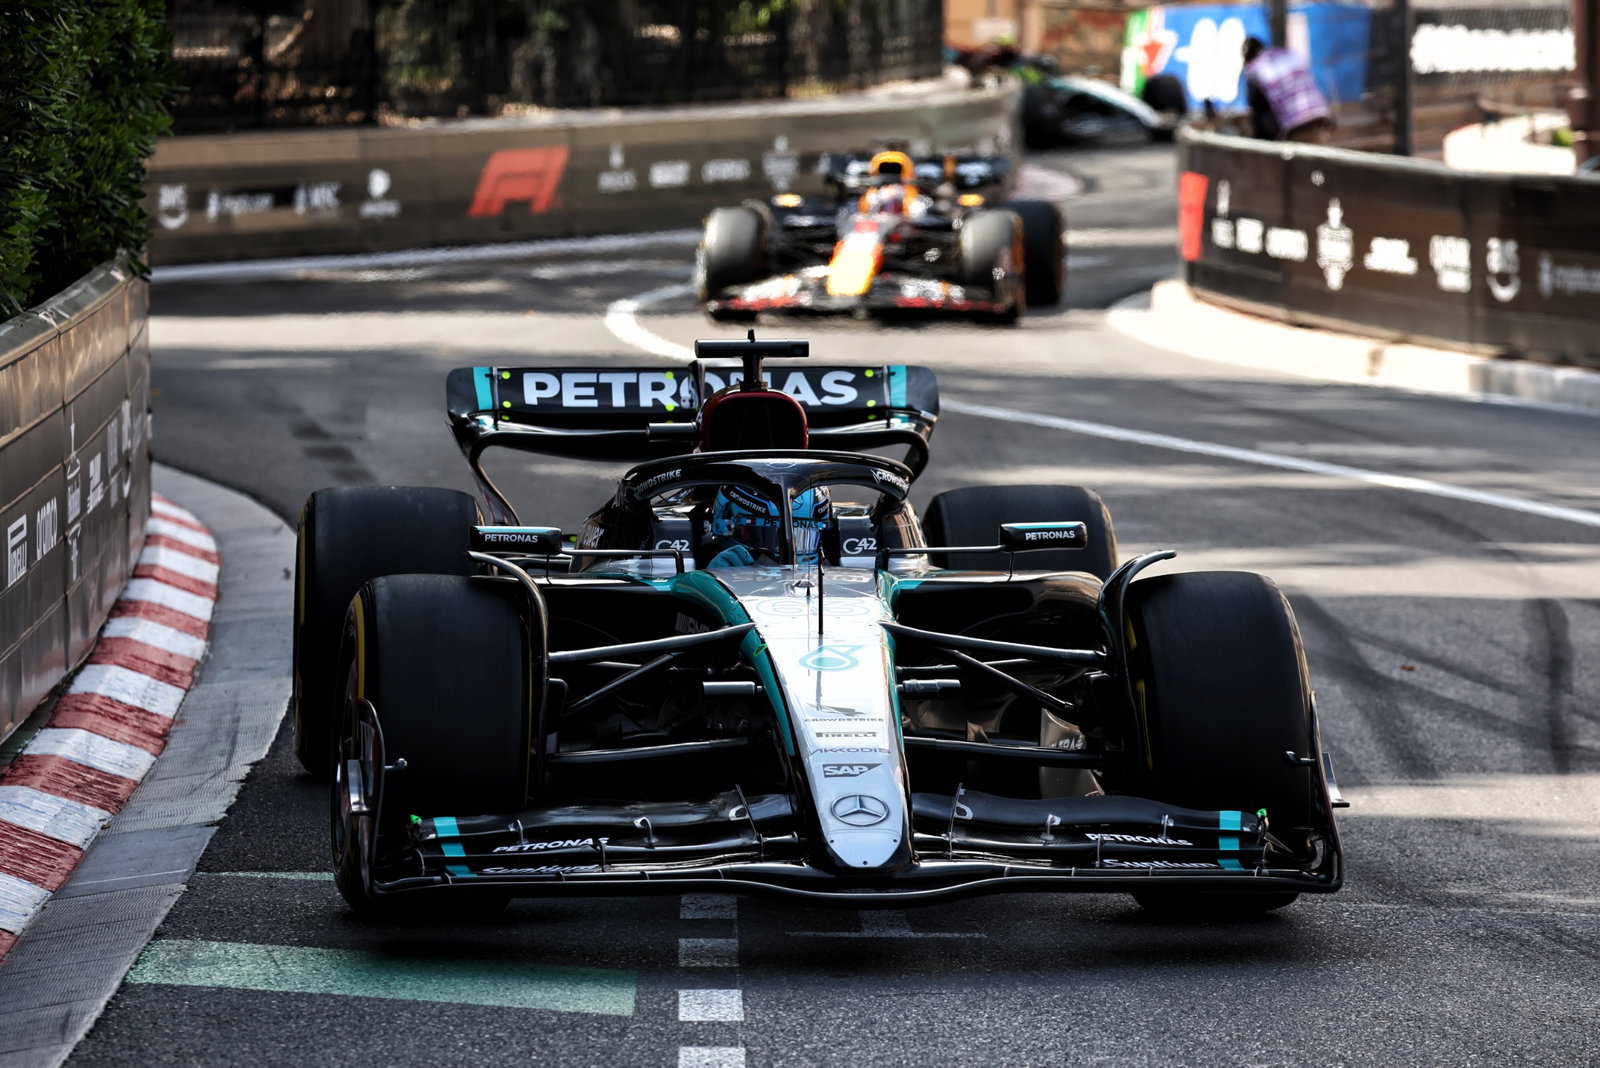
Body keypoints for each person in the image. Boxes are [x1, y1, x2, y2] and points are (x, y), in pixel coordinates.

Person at [703, 485, 833, 568]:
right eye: (763, 535)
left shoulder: (830, 573)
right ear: (724, 527)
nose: (788, 553)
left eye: (805, 539)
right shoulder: (725, 565)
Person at [1241, 37, 1332, 144]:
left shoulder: (1254, 68)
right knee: (1316, 149)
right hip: (1319, 114)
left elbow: (1254, 103)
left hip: (1295, 122)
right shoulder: (1288, 54)